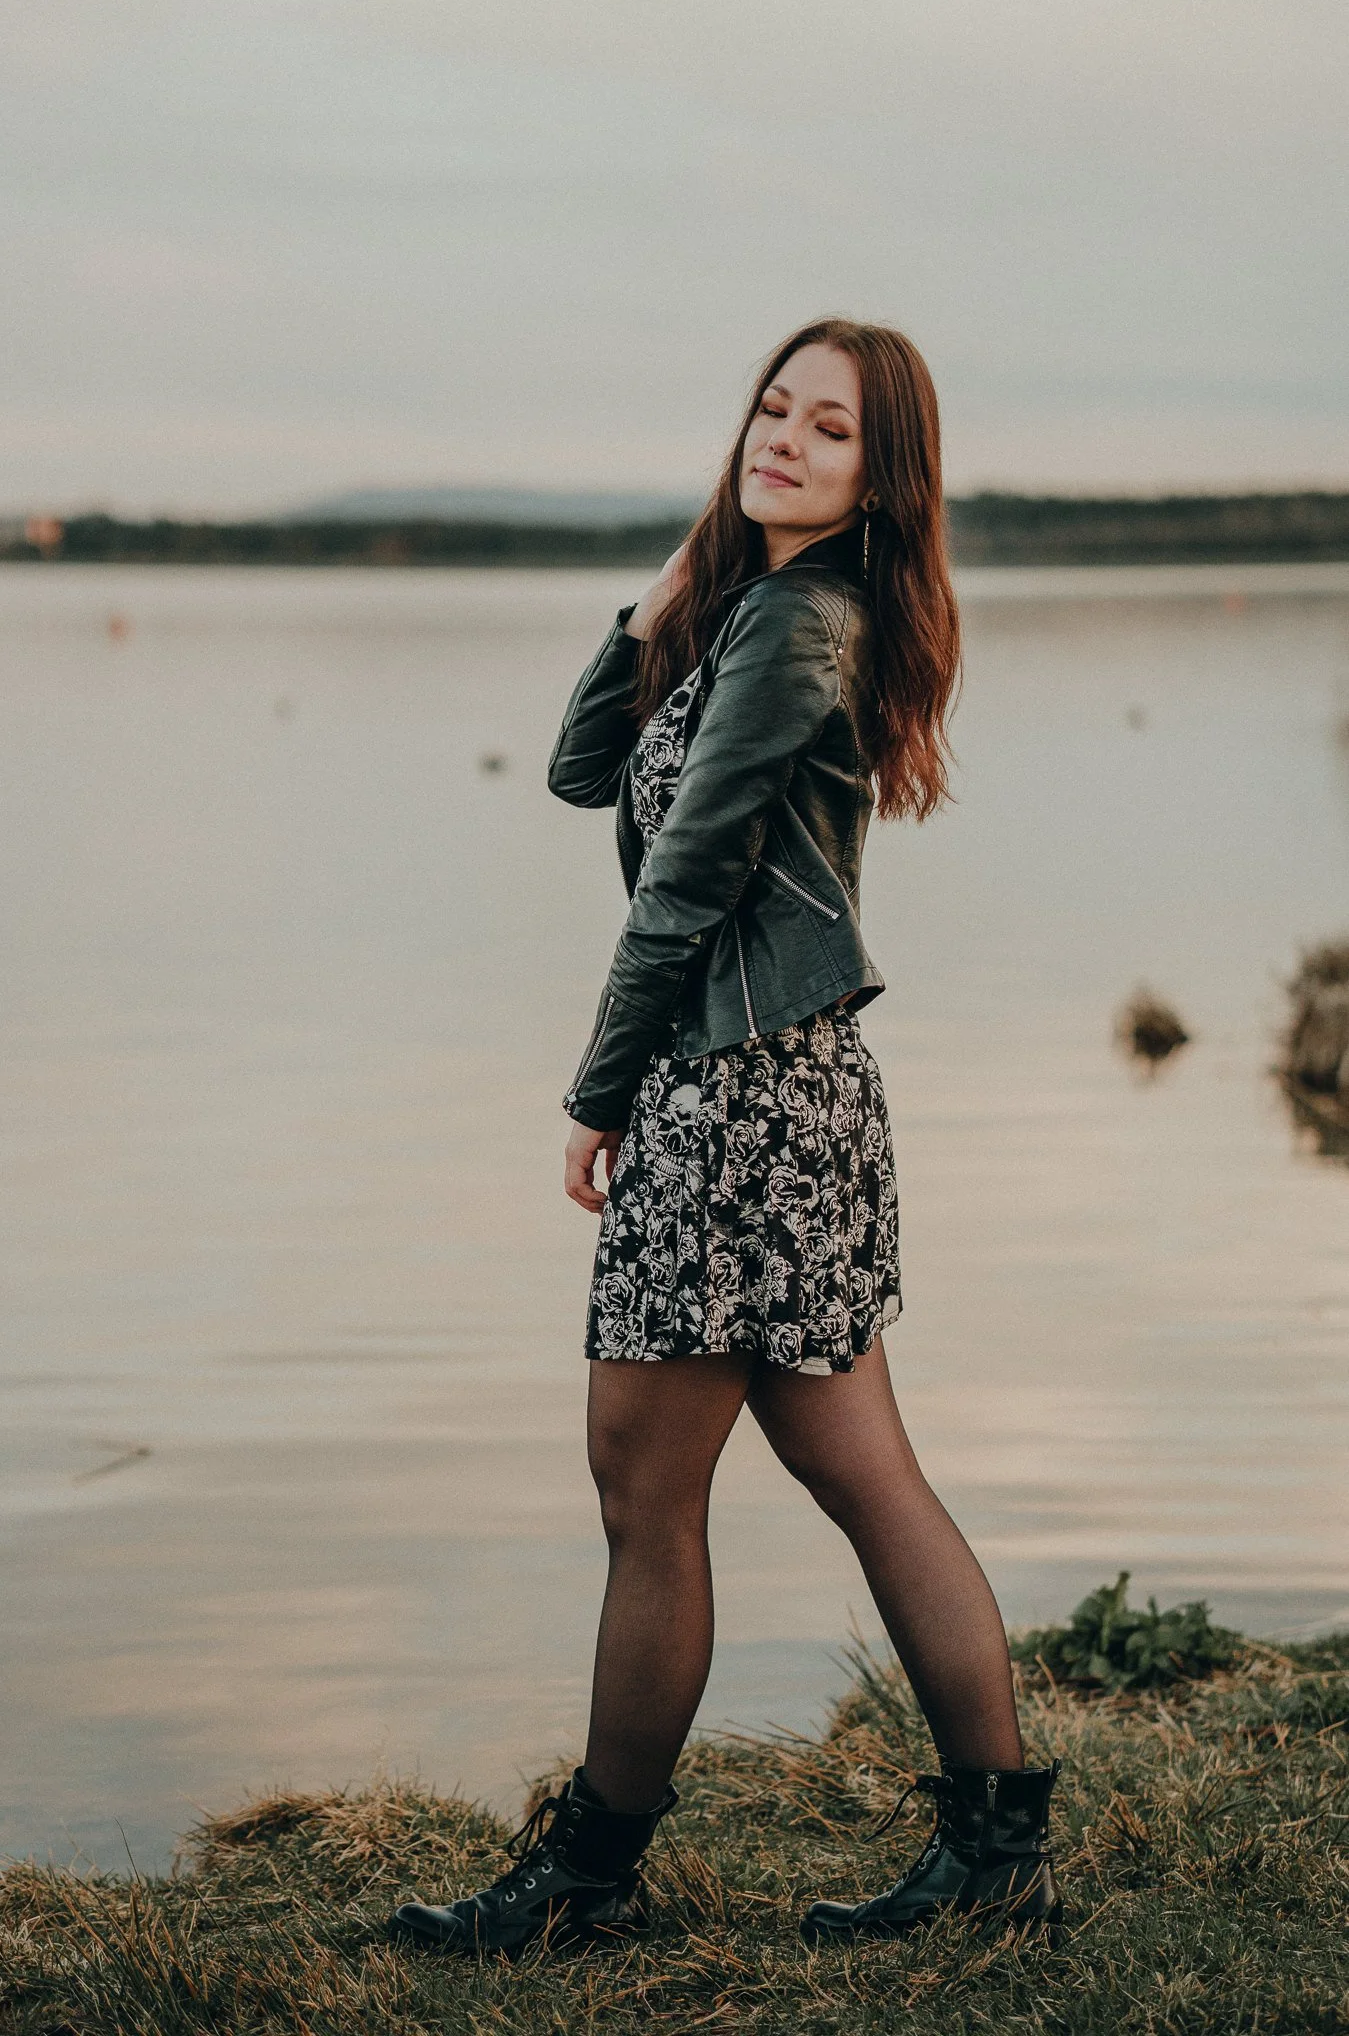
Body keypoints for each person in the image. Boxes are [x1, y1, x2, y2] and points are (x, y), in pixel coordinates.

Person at [390, 318, 1062, 1959]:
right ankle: (989, 1849)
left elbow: (684, 882)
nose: (784, 440)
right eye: (772, 410)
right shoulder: (750, 609)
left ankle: (590, 1879)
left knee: (649, 1478)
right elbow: (576, 770)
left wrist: (597, 1092)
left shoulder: (802, 632)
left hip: (738, 1096)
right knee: (843, 1470)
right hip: (775, 1087)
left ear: (875, 477)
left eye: (827, 431)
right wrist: (687, 566)